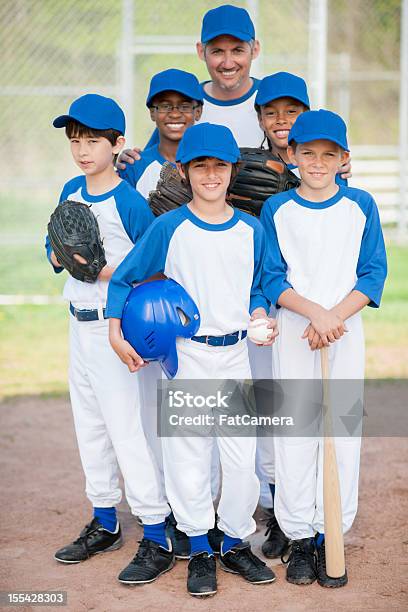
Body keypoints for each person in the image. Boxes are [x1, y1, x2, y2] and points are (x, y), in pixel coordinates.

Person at [107, 122, 278, 597]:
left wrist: (262, 312)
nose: (209, 174)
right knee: (188, 458)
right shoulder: (170, 227)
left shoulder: (251, 228)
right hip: (186, 355)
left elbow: (261, 284)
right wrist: (115, 331)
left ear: (232, 170)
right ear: (183, 171)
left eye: (218, 166)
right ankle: (200, 547)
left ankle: (235, 541)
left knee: (242, 462)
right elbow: (125, 278)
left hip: (236, 355)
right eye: (199, 165)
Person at [46, 93, 175, 585]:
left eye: (94, 141)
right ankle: (104, 521)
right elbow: (55, 248)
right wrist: (64, 255)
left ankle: (157, 532)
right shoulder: (69, 189)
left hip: (113, 325)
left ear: (118, 144)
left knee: (127, 430)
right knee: (91, 427)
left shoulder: (128, 201)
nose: (82, 150)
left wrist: (97, 267)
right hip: (76, 327)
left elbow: (150, 269)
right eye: (75, 140)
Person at [260, 109, 387, 587]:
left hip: (345, 332)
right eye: (307, 153)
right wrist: (316, 313)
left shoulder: (361, 205)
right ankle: (297, 537)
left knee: (340, 435)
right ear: (291, 156)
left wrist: (334, 316)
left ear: (343, 159)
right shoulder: (279, 209)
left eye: (328, 154)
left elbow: (373, 272)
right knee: (295, 436)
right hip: (296, 331)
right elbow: (272, 275)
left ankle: (328, 532)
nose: (317, 162)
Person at [119, 68, 203, 198]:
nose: (175, 114)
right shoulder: (134, 166)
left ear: (198, 112)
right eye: (165, 106)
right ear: (153, 113)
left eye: (184, 106)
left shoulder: (212, 165)